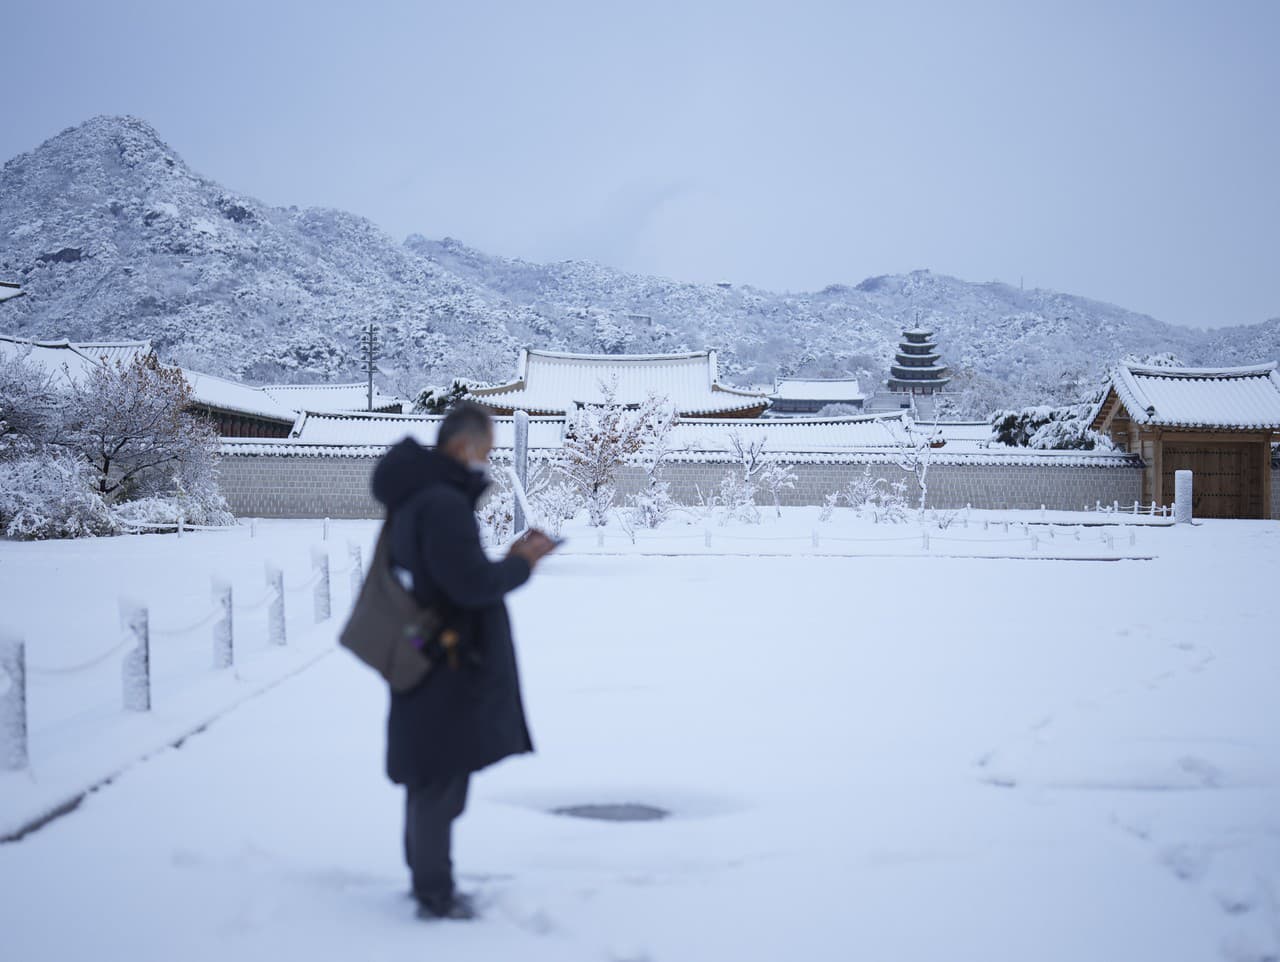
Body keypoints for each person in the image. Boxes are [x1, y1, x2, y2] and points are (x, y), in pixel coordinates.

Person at [370, 402, 557, 920]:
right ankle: (435, 895)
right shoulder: (442, 503)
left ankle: (429, 882)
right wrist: (522, 563)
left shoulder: (416, 498)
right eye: (487, 450)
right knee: (440, 779)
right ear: (464, 446)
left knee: (430, 773)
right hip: (445, 656)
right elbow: (470, 585)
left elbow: (447, 576)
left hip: (422, 645)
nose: (487, 460)